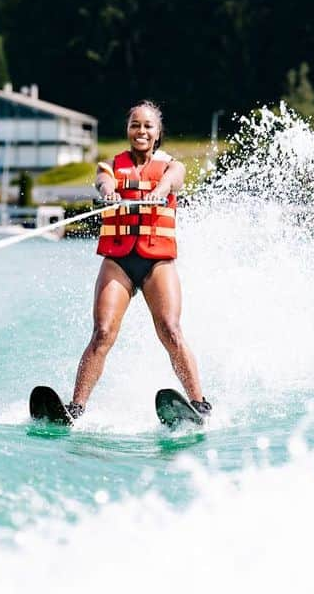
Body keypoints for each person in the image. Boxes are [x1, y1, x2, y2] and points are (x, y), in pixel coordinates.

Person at [64, 101, 210, 421]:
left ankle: (199, 403)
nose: (140, 131)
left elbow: (173, 181)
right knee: (102, 333)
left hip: (157, 262)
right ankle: (76, 407)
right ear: (128, 130)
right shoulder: (110, 167)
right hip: (119, 261)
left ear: (157, 133)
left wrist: (159, 191)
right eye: (135, 125)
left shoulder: (173, 166)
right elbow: (103, 182)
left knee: (170, 330)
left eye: (147, 126)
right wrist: (110, 193)